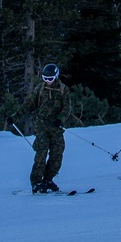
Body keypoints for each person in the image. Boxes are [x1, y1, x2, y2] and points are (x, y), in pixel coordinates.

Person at [24, 63, 71, 191]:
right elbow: (28, 105)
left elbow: (67, 108)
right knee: (41, 153)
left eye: (50, 79)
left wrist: (60, 119)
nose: (47, 81)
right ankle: (36, 182)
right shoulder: (39, 89)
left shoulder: (63, 90)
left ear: (56, 77)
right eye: (44, 78)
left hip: (55, 127)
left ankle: (48, 179)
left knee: (57, 154)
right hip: (41, 126)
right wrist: (14, 116)